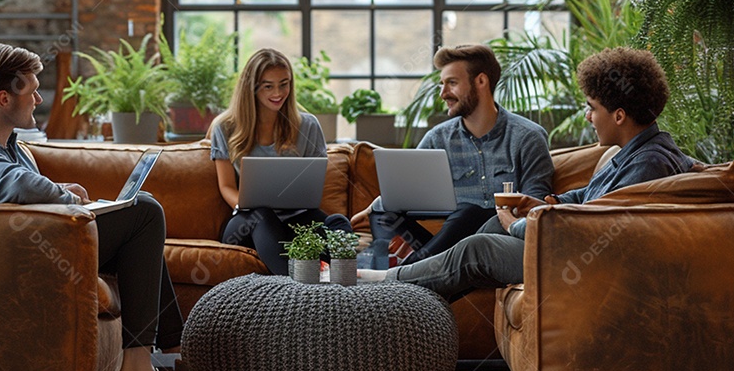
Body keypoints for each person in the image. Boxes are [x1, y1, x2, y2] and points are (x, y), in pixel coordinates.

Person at [0, 43, 200, 371]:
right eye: (31, 91)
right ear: (3, 99)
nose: (39, 98)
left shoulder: (1, 140)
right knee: (143, 213)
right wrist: (70, 200)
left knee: (144, 209)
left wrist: (62, 191)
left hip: (40, 240)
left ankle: (171, 353)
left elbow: (11, 182)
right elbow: (11, 184)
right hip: (20, 255)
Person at [360, 46, 695, 300]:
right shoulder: (628, 155)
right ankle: (404, 291)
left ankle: (389, 290)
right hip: (564, 242)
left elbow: (596, 231)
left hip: (578, 260)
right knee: (487, 226)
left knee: (478, 246)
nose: (587, 118)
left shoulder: (649, 163)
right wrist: (542, 203)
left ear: (619, 116)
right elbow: (586, 199)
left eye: (592, 108)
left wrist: (519, 222)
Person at [351, 44, 553, 268]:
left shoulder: (528, 137)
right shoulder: (437, 139)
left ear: (481, 81)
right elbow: (405, 192)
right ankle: (418, 269)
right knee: (384, 214)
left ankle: (408, 272)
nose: (443, 93)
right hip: (448, 248)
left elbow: (535, 209)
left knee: (468, 212)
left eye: (452, 83)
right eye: (442, 84)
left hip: (496, 242)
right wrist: (377, 205)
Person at [210, 48, 354, 276]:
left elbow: (314, 183)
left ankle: (343, 284)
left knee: (337, 223)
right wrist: (244, 203)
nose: (278, 92)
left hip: (297, 218)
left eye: (284, 84)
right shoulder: (225, 127)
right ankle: (291, 289)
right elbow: (226, 186)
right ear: (252, 87)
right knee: (263, 215)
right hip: (249, 221)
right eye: (268, 86)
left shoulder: (308, 125)